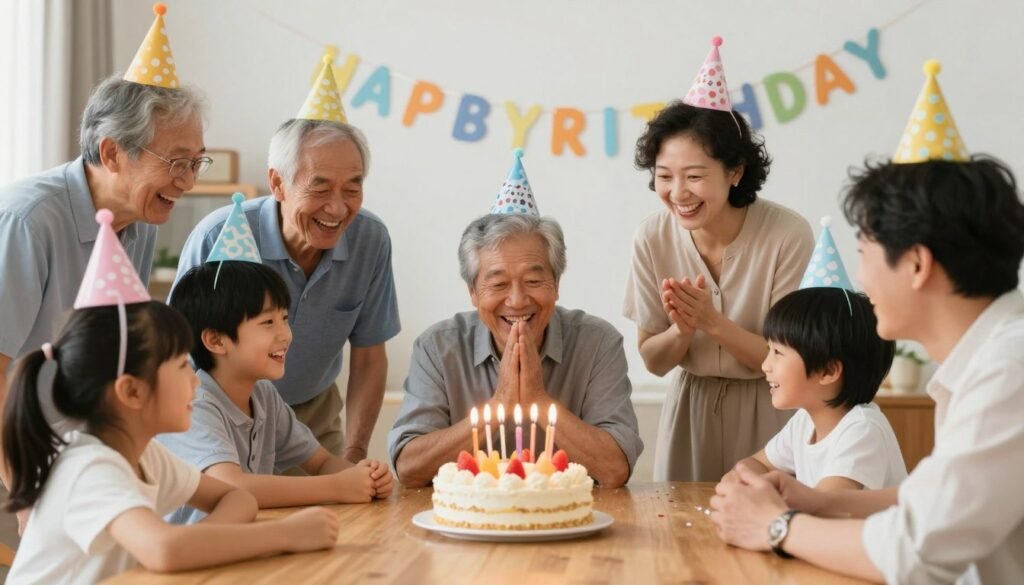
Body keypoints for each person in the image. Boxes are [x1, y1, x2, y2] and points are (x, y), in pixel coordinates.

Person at [710, 154, 1024, 584]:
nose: (860, 278)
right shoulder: (988, 359)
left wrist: (776, 526)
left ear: (917, 263)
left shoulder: (1009, 370)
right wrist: (818, 503)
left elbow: (915, 553)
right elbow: (935, 502)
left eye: (863, 253)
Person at [0, 4, 207, 497]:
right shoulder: (30, 221)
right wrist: (22, 488)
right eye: (176, 161)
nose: (188, 182)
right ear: (112, 151)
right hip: (19, 462)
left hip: (74, 461)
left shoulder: (140, 222)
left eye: (197, 162)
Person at [2, 300, 339, 583]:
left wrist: (199, 543)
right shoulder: (89, 467)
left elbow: (238, 498)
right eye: (181, 366)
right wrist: (287, 534)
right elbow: (164, 549)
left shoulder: (147, 455)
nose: (195, 380)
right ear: (132, 391)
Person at [173, 62, 399, 463]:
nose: (338, 206)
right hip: (217, 414)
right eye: (320, 187)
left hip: (313, 413)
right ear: (278, 183)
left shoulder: (371, 240)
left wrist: (354, 452)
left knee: (339, 518)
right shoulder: (216, 238)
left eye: (353, 187)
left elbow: (368, 354)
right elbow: (180, 353)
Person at [623, 37, 813, 481]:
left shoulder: (788, 235)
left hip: (774, 409)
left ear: (735, 172)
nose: (678, 193)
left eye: (694, 176)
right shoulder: (652, 237)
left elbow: (792, 358)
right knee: (682, 536)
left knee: (768, 528)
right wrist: (682, 330)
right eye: (665, 176)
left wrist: (712, 322)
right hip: (690, 409)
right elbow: (653, 359)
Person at [389, 211, 643, 488]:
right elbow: (409, 467)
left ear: (557, 284)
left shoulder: (597, 343)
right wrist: (501, 404)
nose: (518, 300)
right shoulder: (437, 348)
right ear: (473, 292)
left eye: (533, 281)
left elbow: (615, 469)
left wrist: (538, 399)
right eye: (498, 284)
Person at [160, 261, 392, 523]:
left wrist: (366, 477)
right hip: (194, 552)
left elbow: (321, 461)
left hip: (239, 544)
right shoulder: (194, 404)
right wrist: (337, 487)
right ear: (216, 340)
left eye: (284, 318)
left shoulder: (263, 395)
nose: (285, 335)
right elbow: (231, 487)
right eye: (268, 322)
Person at [722, 287, 905, 491]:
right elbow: (757, 464)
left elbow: (823, 507)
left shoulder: (862, 430)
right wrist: (738, 480)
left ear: (827, 371)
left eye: (778, 352)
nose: (765, 365)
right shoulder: (804, 421)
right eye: (768, 350)